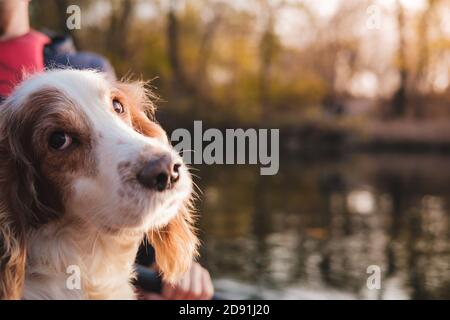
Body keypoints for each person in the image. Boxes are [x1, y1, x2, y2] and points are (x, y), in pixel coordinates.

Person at [0, 0, 214, 300]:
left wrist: (173, 267)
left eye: (117, 107)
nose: (162, 162)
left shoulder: (89, 66)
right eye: (59, 140)